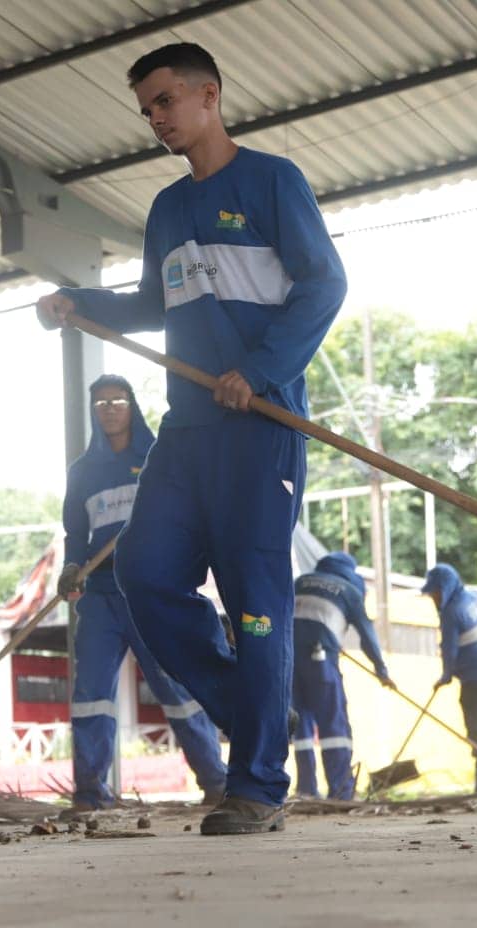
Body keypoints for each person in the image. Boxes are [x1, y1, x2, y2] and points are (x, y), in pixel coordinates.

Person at [37, 42, 346, 834]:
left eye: (166, 101)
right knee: (145, 577)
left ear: (210, 94)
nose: (156, 119)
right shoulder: (168, 210)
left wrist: (261, 368)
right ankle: (257, 716)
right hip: (187, 430)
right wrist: (77, 302)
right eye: (147, 109)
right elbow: (152, 304)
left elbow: (324, 284)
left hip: (259, 426)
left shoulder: (274, 182)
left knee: (255, 604)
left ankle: (256, 788)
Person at [59, 374, 228, 810]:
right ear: (93, 412)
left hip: (150, 589)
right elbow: (75, 534)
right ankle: (90, 792)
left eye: (117, 400)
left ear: (131, 405)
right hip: (99, 597)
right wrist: (72, 567)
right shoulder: (82, 473)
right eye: (100, 403)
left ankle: (215, 780)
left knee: (175, 688)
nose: (109, 408)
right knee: (91, 696)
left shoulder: (159, 457)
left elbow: (185, 512)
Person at [291, 552, 392, 801]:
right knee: (333, 724)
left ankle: (306, 790)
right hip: (321, 660)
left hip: (289, 662)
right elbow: (367, 635)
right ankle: (341, 791)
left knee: (300, 724)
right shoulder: (349, 591)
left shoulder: (300, 581)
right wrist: (381, 670)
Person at [421, 563, 477, 794]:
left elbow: (450, 649)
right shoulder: (476, 598)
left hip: (475, 678)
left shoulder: (450, 612)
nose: (434, 599)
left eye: (435, 593)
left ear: (446, 588)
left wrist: (446, 675)